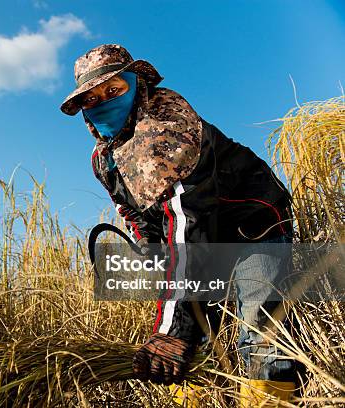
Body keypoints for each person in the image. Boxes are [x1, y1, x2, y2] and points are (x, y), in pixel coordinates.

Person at [60, 44, 298, 406]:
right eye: (92, 98)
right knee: (200, 337)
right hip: (201, 234)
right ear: (83, 109)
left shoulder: (165, 127)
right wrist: (150, 247)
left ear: (137, 85)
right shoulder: (103, 159)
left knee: (258, 329)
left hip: (253, 225)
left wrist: (172, 330)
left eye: (114, 90)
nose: (104, 101)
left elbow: (189, 225)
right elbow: (134, 211)